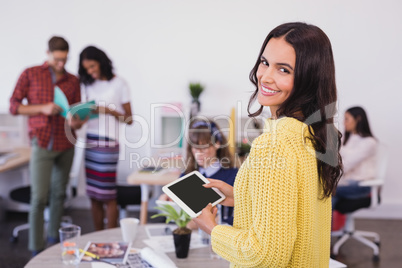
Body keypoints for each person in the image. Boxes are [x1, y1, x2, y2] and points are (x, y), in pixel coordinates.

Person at [193, 22, 343, 267]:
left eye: (284, 70)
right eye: (264, 62)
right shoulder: (316, 134)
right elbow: (299, 212)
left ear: (308, 78)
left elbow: (263, 254)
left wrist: (213, 229)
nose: (265, 76)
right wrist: (243, 196)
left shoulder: (274, 143)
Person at [9, 36, 85, 255]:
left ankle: (55, 242)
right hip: (42, 142)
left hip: (66, 142)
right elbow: (14, 106)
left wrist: (76, 119)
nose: (61, 64)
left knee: (59, 194)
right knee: (39, 197)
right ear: (48, 53)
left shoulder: (73, 80)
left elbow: (78, 113)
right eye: (57, 59)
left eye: (65, 59)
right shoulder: (30, 73)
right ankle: (36, 248)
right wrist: (41, 108)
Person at [78, 46, 133, 230]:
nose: (91, 71)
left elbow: (129, 119)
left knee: (107, 195)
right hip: (91, 141)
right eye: (87, 69)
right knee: (93, 194)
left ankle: (110, 237)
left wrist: (108, 110)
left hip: (109, 144)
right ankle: (97, 235)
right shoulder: (88, 84)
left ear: (101, 62)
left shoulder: (119, 84)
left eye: (93, 66)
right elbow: (84, 117)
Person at [159, 118, 238, 225]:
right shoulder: (188, 174)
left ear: (217, 144)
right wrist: (167, 200)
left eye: (203, 147)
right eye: (195, 147)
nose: (198, 153)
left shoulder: (234, 176)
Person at [332, 107, 377, 208]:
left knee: (327, 191)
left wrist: (337, 149)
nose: (344, 123)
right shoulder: (345, 138)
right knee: (328, 196)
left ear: (358, 119)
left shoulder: (369, 142)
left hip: (361, 185)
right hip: (346, 182)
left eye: (347, 119)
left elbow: (345, 165)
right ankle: (327, 224)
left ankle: (326, 223)